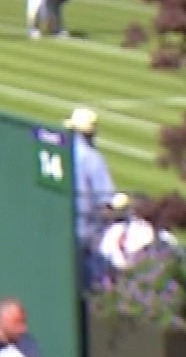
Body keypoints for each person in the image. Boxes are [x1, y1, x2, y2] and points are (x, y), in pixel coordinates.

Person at [68, 107, 117, 283]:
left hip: (64, 226)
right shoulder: (92, 158)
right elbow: (105, 200)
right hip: (86, 231)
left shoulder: (63, 152)